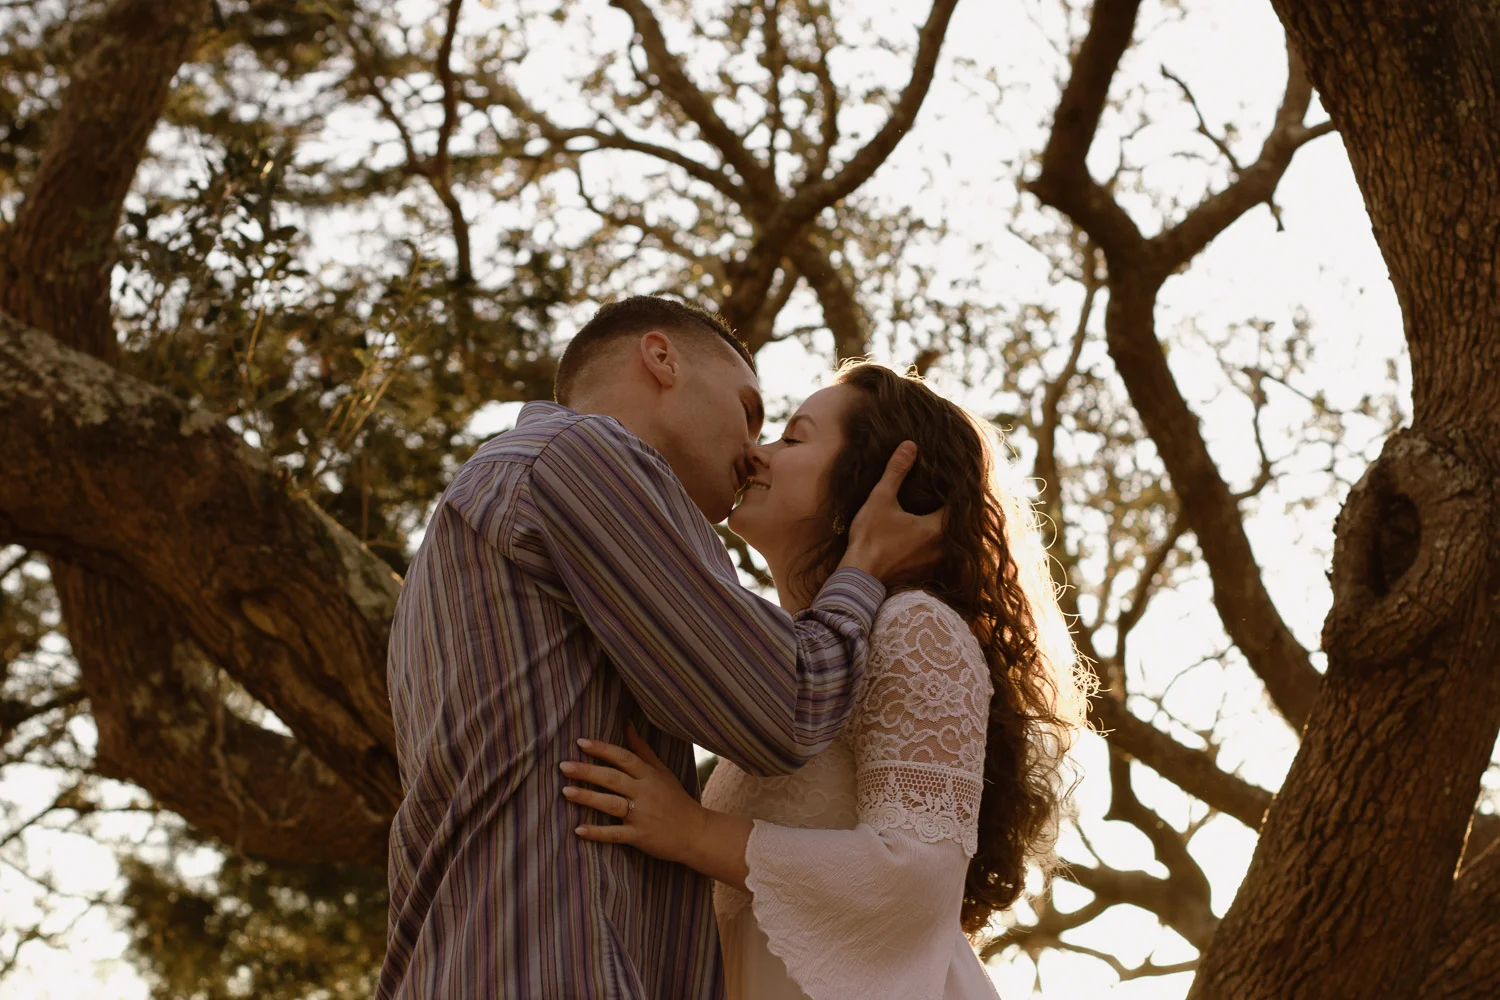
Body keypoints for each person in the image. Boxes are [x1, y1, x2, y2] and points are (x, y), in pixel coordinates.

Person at [376, 296, 943, 999]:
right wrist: (862, 569)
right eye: (750, 410)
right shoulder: (581, 456)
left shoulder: (469, 526)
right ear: (661, 357)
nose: (753, 450)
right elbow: (786, 706)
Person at [561, 362, 1090, 1000]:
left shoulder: (915, 627)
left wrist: (694, 831)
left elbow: (915, 878)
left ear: (874, 486)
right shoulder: (786, 671)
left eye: (792, 439)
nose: (754, 455)